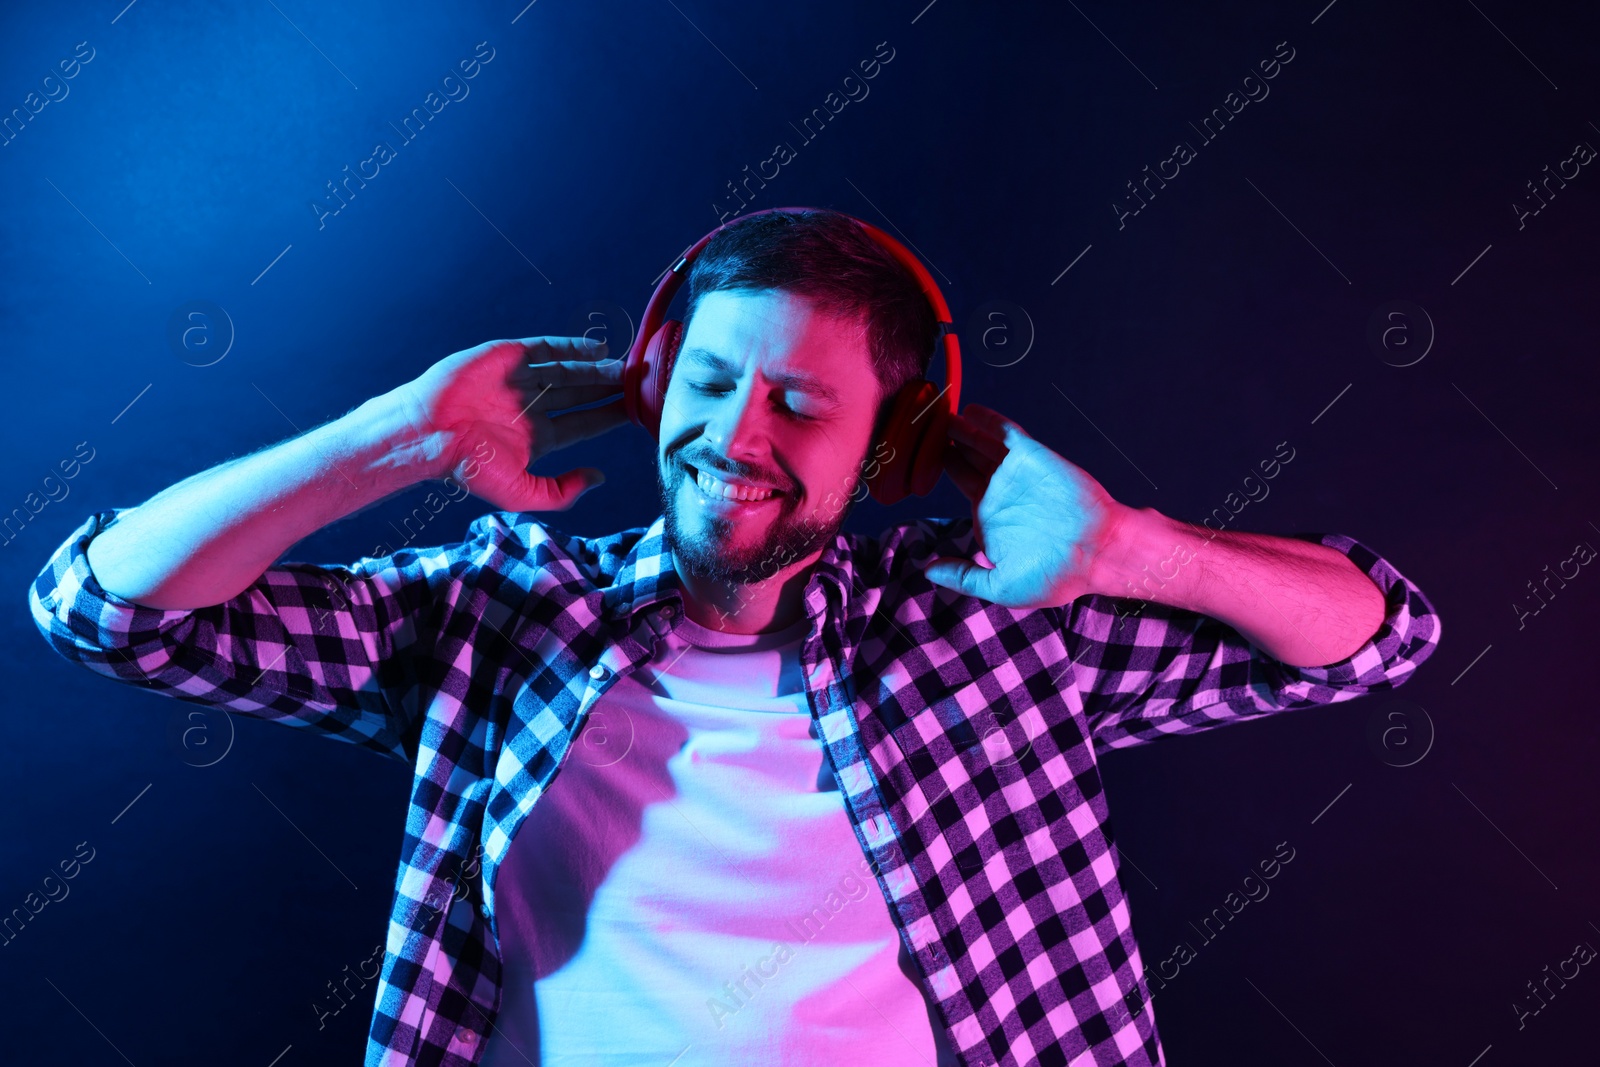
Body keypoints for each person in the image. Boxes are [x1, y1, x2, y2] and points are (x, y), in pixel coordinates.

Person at [30, 208, 1442, 1067]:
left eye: (800, 407)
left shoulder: (990, 635)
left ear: (887, 443)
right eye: (708, 383)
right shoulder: (505, 611)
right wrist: (394, 435)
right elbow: (108, 610)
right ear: (655, 385)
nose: (736, 438)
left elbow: (1377, 638)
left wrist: (1135, 548)